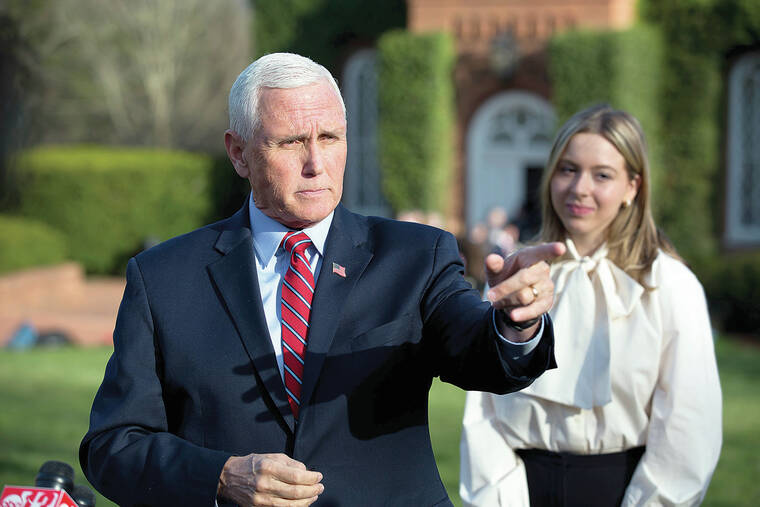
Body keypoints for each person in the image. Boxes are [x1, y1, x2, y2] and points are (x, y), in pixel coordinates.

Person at [80, 52, 565, 507]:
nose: (315, 164)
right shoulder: (164, 277)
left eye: (330, 138)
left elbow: (482, 355)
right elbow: (113, 445)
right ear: (239, 153)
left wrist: (515, 322)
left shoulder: (416, 256)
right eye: (291, 142)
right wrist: (221, 477)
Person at [459, 105, 722, 506]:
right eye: (568, 169)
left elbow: (689, 424)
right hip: (519, 489)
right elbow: (482, 411)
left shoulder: (669, 285)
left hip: (626, 489)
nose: (580, 188)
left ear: (632, 186)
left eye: (602, 175)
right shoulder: (519, 275)